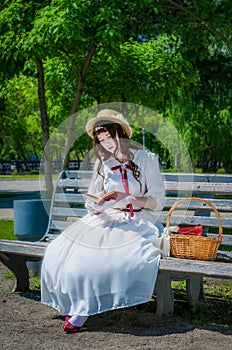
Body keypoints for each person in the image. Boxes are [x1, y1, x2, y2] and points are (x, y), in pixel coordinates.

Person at [41, 109, 165, 333]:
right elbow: (93, 197)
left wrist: (129, 198)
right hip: (108, 217)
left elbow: (158, 201)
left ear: (121, 133)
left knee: (107, 255)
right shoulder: (103, 164)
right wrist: (96, 206)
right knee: (61, 250)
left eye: (109, 136)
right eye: (100, 139)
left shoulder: (146, 158)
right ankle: (75, 302)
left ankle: (83, 311)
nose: (105, 143)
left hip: (137, 218)